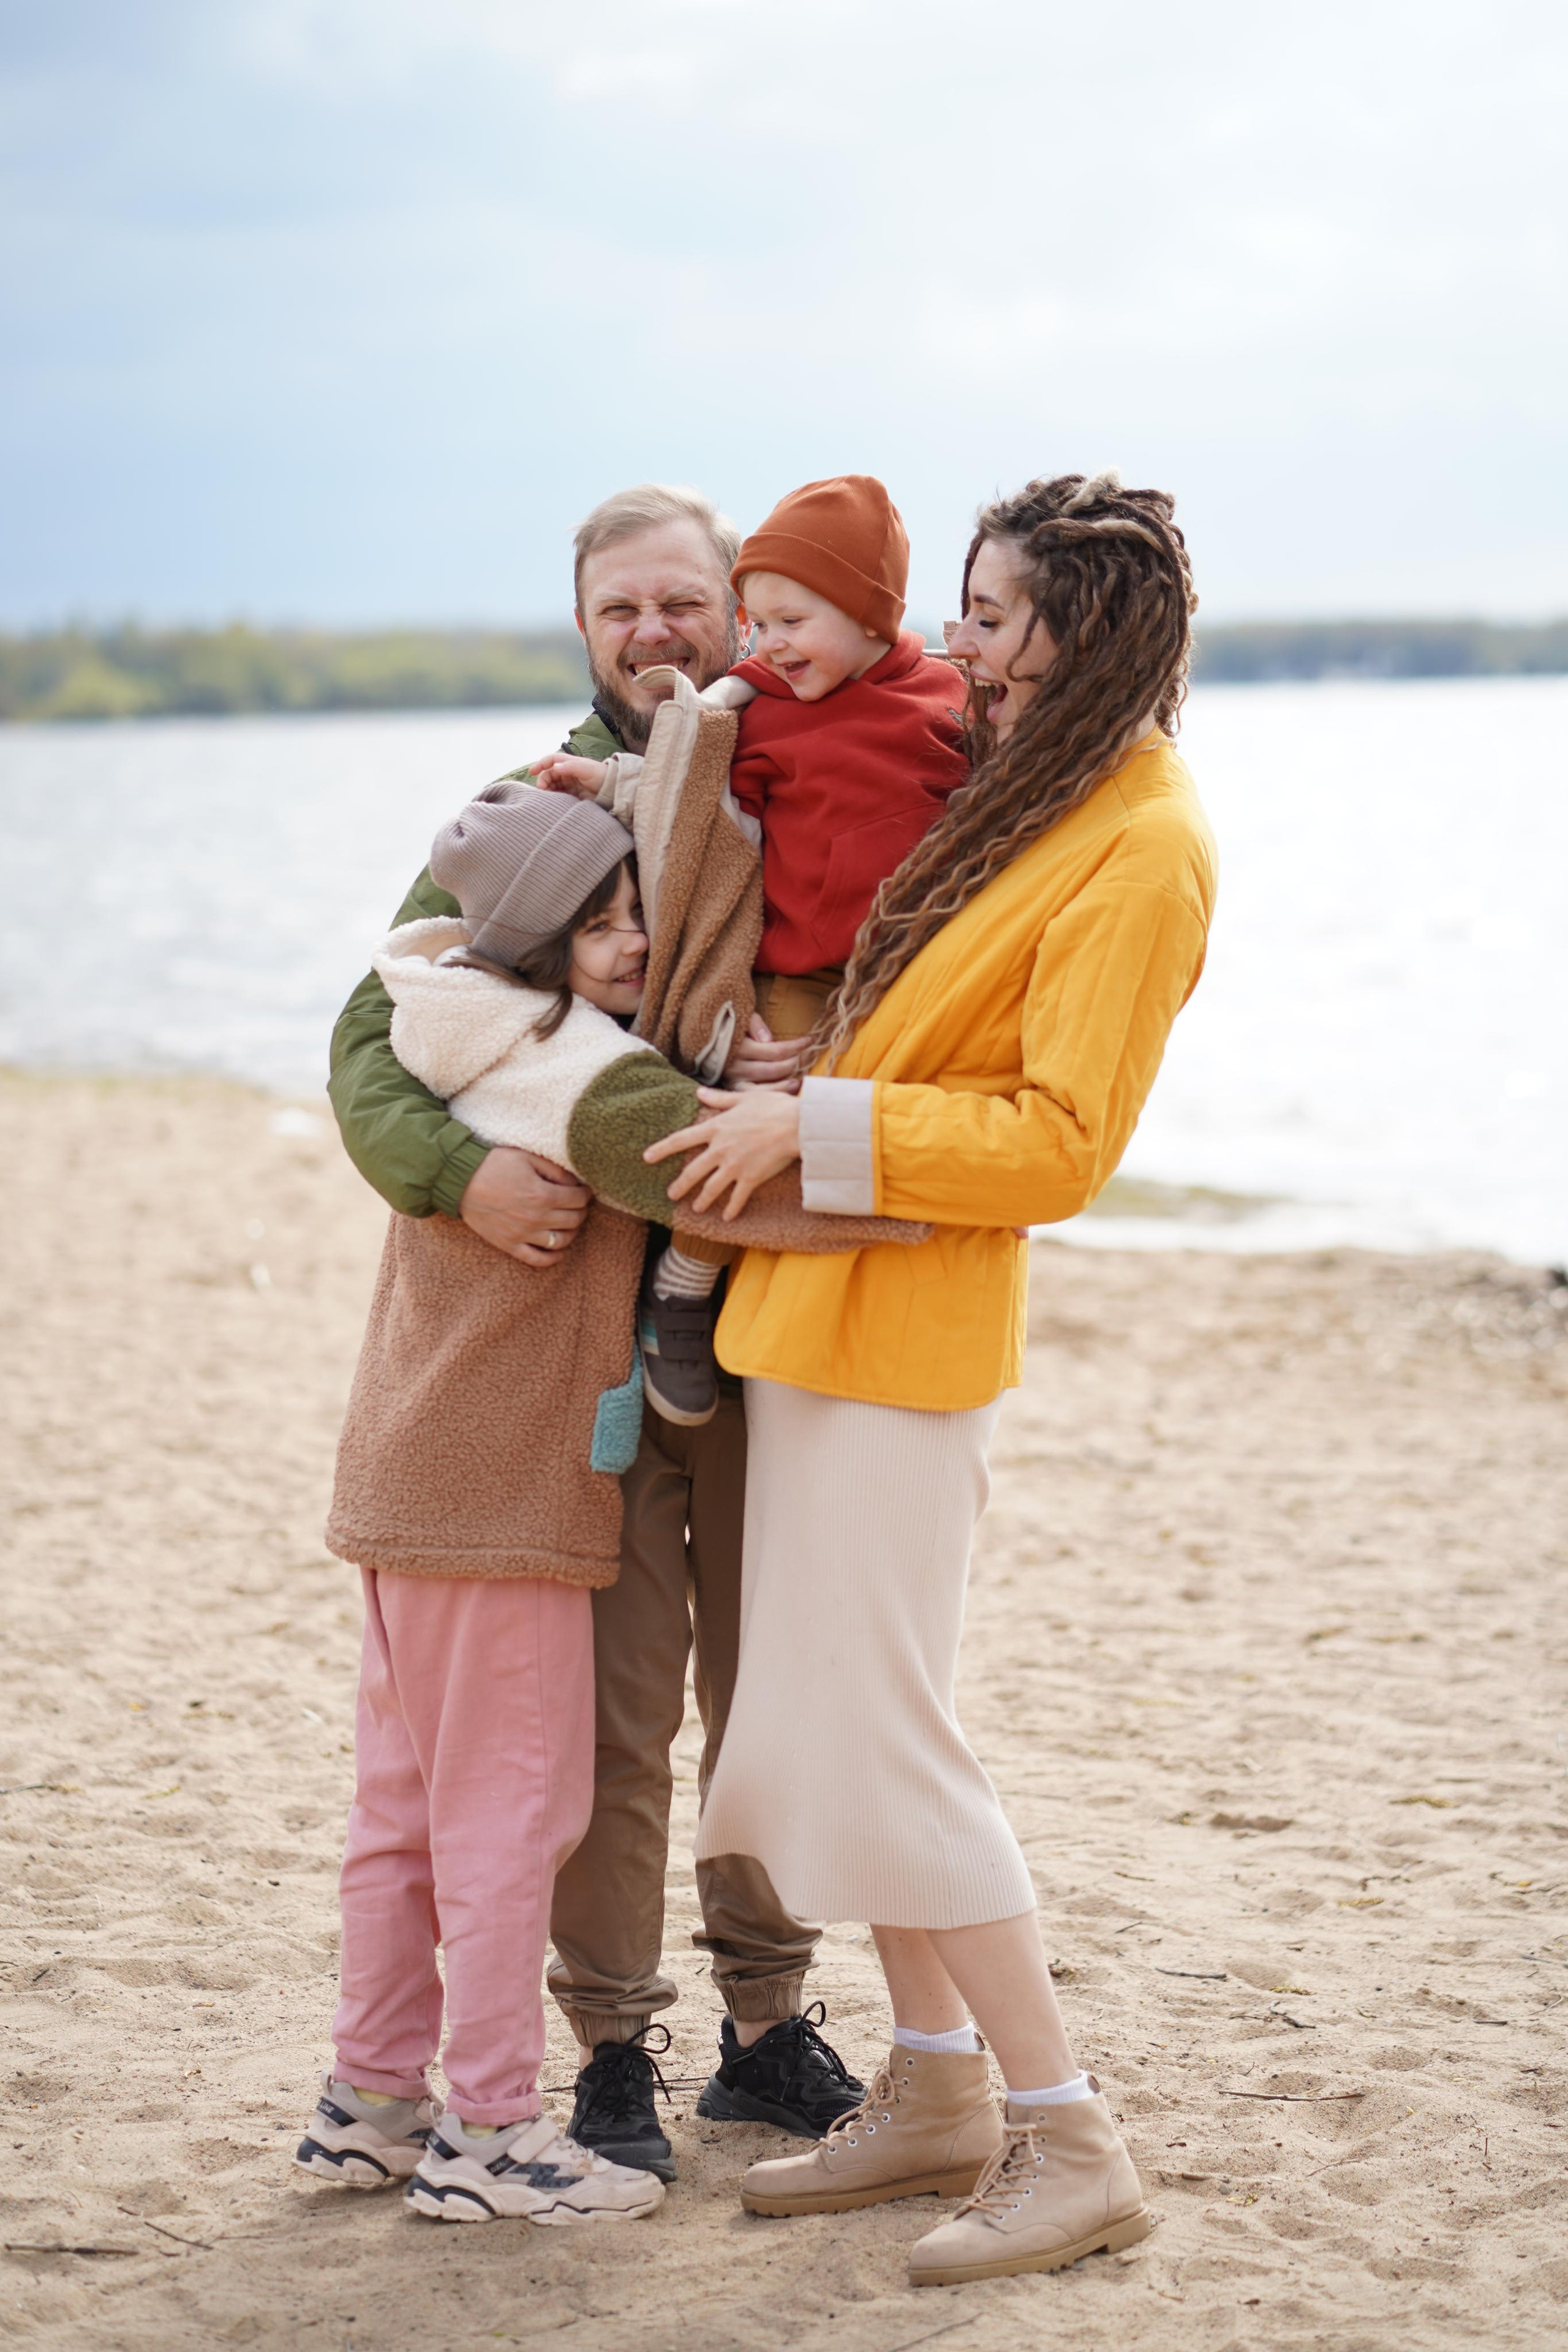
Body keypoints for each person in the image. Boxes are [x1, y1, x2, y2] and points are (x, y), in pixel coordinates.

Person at [644, 471, 1218, 2285]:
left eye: (990, 618)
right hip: (818, 1314)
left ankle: (1072, 2138)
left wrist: (810, 1122)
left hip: (912, 1335)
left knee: (890, 1736)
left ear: (1087, 632)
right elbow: (889, 998)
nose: (956, 647)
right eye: (960, 611)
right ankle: (943, 2086)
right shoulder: (1025, 793)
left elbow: (1059, 1144)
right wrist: (778, 1071)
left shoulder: (1145, 843)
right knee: (821, 1732)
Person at [326, 484, 863, 2182]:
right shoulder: (534, 815)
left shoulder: (803, 770)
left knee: (776, 1696)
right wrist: (460, 1176)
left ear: (735, 609)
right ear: (586, 629)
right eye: (621, 609)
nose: (656, 634)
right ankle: (612, 2046)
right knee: (614, 1715)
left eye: (684, 604)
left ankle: (770, 2029)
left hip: (778, 1334)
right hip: (592, 1365)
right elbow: (372, 1037)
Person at [537, 473, 967, 1428]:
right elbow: (678, 787)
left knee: (863, 1111)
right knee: (758, 1110)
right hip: (790, 971)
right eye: (759, 621)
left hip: (897, 975)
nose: (770, 643)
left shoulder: (950, 697)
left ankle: (847, 1315)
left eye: (787, 621)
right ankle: (686, 1283)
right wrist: (601, 783)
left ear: (867, 615)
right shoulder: (754, 703)